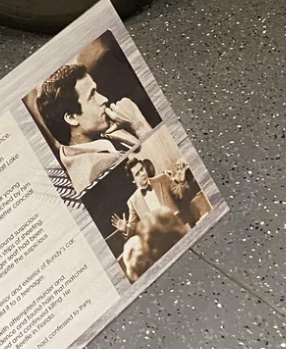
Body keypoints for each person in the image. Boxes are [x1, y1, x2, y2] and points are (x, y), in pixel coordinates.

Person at [34, 44, 153, 191]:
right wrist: (138, 124)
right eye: (92, 96)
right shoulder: (102, 165)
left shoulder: (73, 152)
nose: (103, 99)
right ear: (71, 118)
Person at [111, 156, 196, 239]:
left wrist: (182, 181)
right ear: (133, 180)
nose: (142, 174)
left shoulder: (163, 178)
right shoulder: (133, 201)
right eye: (137, 174)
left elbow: (180, 194)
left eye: (142, 169)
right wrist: (125, 229)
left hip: (179, 227)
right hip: (159, 240)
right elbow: (133, 226)